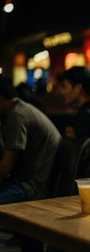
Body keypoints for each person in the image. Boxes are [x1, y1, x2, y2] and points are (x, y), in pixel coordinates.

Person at [0, 74, 61, 251]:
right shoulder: (19, 110)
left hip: (31, 188)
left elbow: (4, 169)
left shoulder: (16, 116)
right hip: (28, 182)